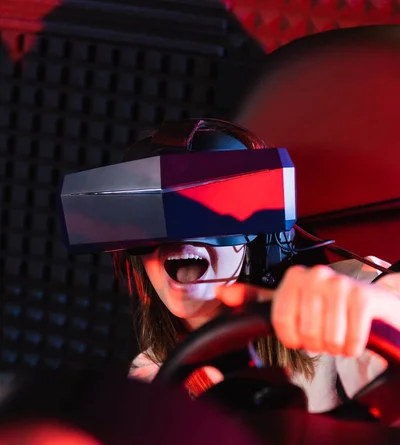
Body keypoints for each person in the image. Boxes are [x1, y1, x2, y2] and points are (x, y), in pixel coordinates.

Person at [115, 119, 400, 413]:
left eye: (209, 211)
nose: (177, 233)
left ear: (263, 239)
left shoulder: (344, 294)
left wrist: (382, 312)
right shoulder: (150, 378)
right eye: (154, 216)